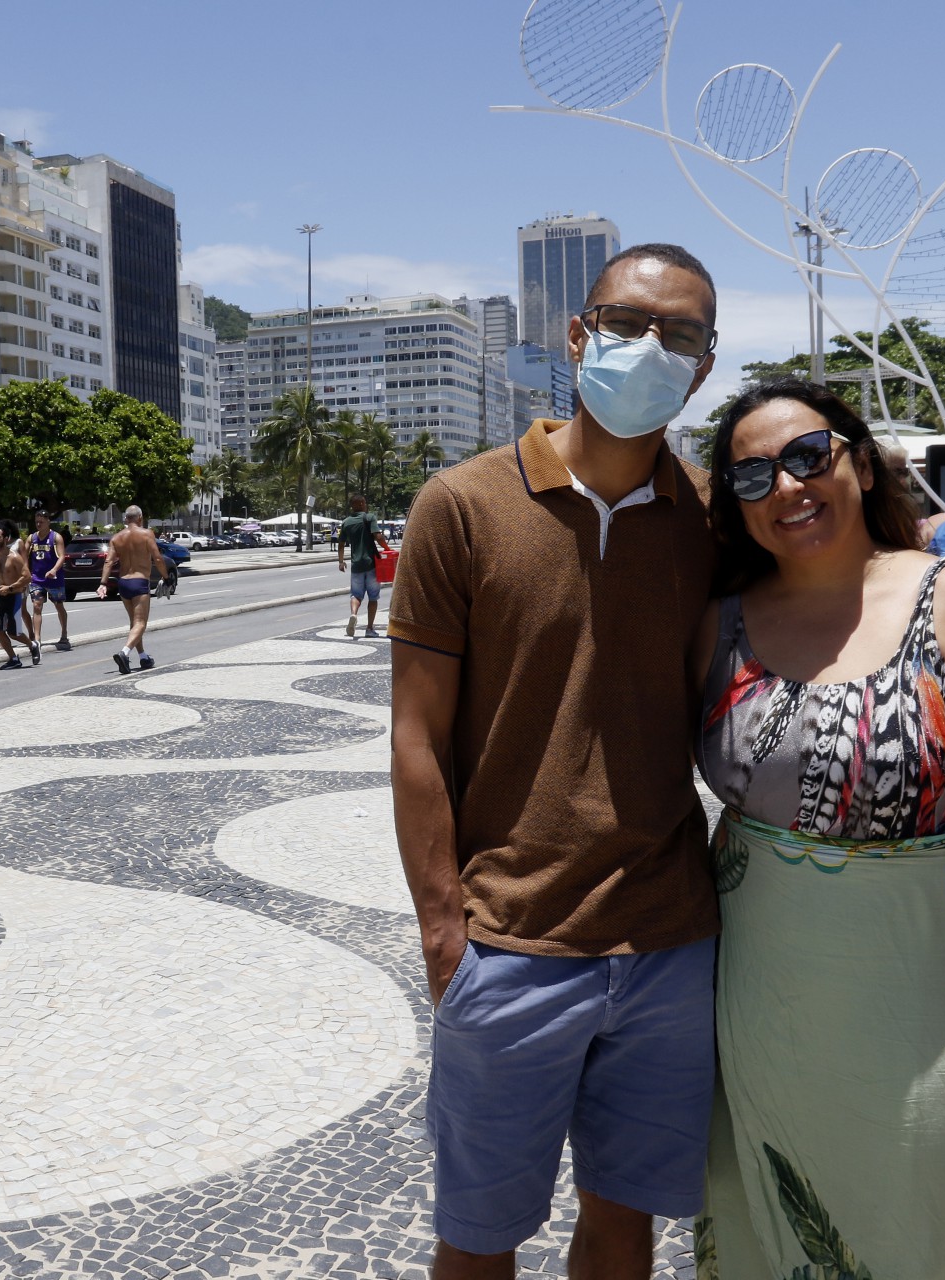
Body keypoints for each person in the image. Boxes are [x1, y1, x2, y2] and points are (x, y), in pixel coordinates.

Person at [695, 378, 945, 1279]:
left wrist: (925, 846)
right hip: (762, 982)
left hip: (916, 981)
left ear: (859, 463)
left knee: (909, 1198)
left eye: (808, 458)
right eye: (753, 478)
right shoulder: (719, 623)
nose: (788, 488)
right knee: (763, 1198)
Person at [392, 243, 724, 1279]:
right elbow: (415, 734)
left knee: (625, 1228)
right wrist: (448, 931)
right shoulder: (463, 504)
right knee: (480, 1238)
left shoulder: (716, 519)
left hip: (669, 943)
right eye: (627, 322)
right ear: (578, 334)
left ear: (706, 366)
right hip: (510, 943)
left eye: (680, 334)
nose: (650, 347)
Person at [98, 504, 161, 674]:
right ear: (140, 518)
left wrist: (103, 583)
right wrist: (167, 577)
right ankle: (124, 653)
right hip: (140, 582)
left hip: (123, 583)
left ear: (126, 519)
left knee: (134, 623)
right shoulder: (147, 534)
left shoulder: (117, 538)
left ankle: (143, 657)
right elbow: (158, 558)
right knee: (141, 623)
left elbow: (109, 562)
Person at [337, 494, 393, 638]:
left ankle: (354, 614)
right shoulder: (369, 518)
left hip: (356, 565)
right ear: (362, 503)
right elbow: (378, 536)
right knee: (373, 598)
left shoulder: (346, 522)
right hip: (372, 564)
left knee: (356, 595)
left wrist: (341, 561)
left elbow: (341, 544)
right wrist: (387, 548)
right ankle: (369, 629)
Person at [0, 520, 34, 669]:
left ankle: (32, 645)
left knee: (13, 633)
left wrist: (10, 588)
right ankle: (13, 659)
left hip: (14, 596)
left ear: (6, 539)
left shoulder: (14, 557)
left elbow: (27, 577)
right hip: (0, 597)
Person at [25, 511, 73, 652]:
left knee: (59, 605)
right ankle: (37, 639)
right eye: (37, 522)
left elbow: (62, 556)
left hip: (54, 580)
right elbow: (24, 556)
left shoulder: (56, 537)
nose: (39, 524)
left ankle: (64, 633)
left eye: (42, 522)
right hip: (37, 579)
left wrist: (54, 570)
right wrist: (26, 572)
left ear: (48, 521)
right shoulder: (31, 538)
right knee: (37, 606)